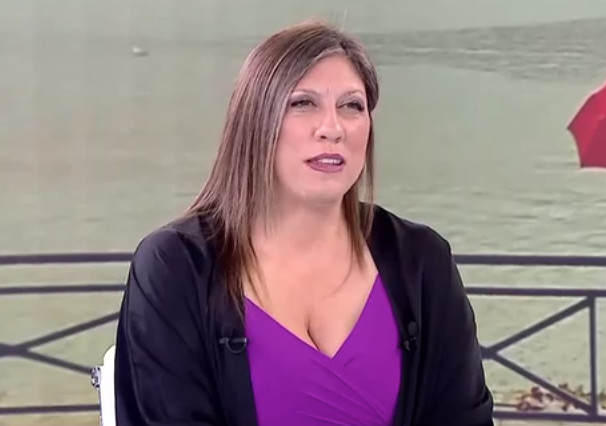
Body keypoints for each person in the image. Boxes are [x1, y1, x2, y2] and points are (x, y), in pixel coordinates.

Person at [114, 20, 494, 426]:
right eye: (302, 103)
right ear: (255, 122)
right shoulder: (176, 267)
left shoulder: (421, 261)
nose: (332, 128)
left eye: (352, 106)